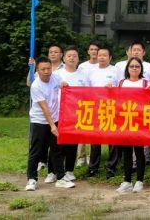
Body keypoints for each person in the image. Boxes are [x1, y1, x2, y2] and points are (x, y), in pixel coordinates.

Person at [25, 57, 74, 191]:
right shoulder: (36, 86)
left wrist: (64, 84)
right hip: (39, 121)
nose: (46, 71)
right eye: (43, 69)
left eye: (48, 68)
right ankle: (31, 179)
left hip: (55, 118)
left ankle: (60, 178)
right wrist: (52, 126)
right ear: (38, 71)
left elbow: (63, 85)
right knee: (36, 150)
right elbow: (44, 108)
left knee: (57, 150)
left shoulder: (56, 78)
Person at [55, 46, 89, 182]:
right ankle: (56, 171)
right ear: (64, 58)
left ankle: (69, 170)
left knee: (72, 144)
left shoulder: (83, 75)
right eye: (69, 56)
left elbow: (88, 94)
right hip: (59, 113)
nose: (72, 58)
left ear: (78, 59)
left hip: (76, 114)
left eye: (74, 56)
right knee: (58, 144)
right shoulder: (57, 74)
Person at [116, 57, 148, 193]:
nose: (134, 68)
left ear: (141, 69)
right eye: (132, 66)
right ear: (127, 68)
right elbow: (116, 100)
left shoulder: (145, 83)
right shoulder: (122, 83)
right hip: (125, 121)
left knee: (139, 151)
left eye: (137, 66)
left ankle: (139, 181)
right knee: (127, 152)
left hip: (139, 122)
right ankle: (127, 180)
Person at [86, 46, 119, 178]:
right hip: (95, 109)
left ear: (110, 57)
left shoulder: (116, 70)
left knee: (112, 140)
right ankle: (93, 168)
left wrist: (113, 89)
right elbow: (86, 90)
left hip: (111, 108)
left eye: (105, 55)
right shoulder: (91, 71)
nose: (102, 57)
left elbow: (122, 88)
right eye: (100, 55)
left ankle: (111, 168)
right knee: (95, 140)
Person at [76, 40, 100, 167]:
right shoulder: (82, 66)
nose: (94, 52)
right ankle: (81, 156)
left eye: (96, 49)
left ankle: (92, 155)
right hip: (84, 101)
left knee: (94, 129)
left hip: (98, 102)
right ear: (88, 51)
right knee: (83, 128)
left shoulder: (102, 65)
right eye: (92, 49)